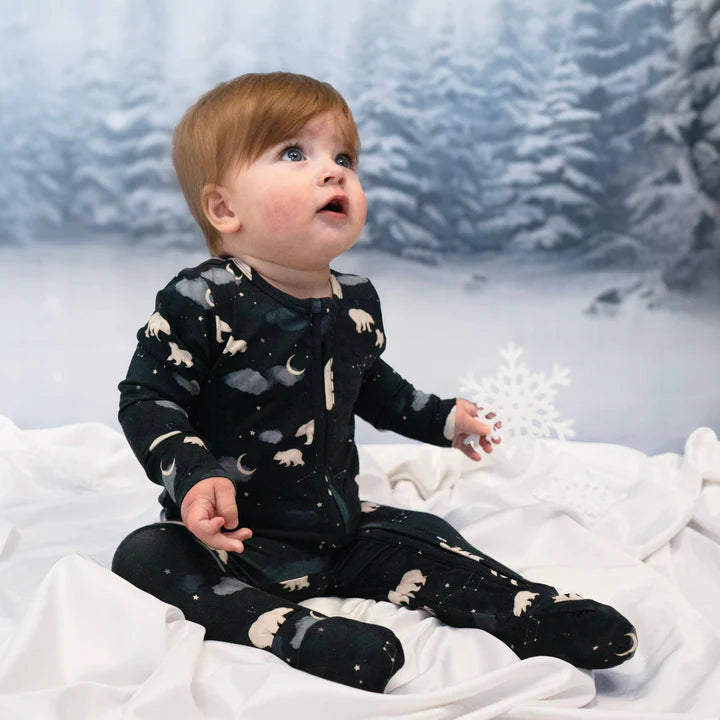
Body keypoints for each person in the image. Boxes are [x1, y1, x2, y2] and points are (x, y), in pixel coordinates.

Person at [111, 71, 637, 693]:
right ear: (225, 209)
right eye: (294, 154)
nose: (333, 174)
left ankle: (528, 610)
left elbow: (373, 385)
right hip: (231, 542)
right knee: (144, 556)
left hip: (337, 532)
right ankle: (296, 633)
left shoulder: (355, 300)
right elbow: (148, 397)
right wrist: (194, 474)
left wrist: (442, 417)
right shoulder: (203, 297)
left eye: (343, 159)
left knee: (426, 534)